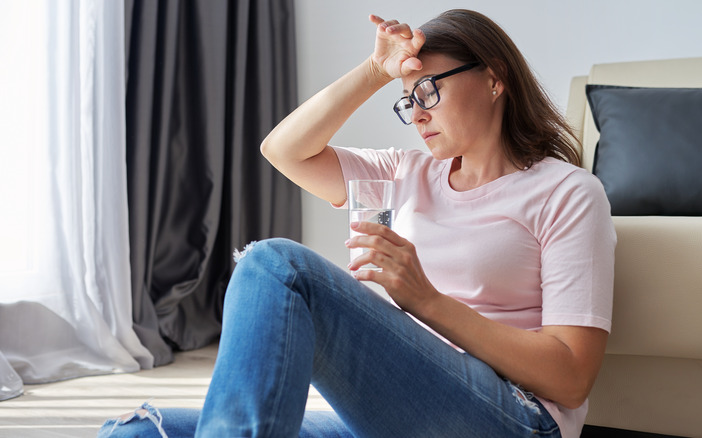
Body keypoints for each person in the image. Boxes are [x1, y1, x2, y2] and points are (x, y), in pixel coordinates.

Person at [99, 9, 615, 438]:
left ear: (494, 77)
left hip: (512, 417)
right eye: (407, 99)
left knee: (276, 265)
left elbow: (570, 378)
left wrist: (426, 300)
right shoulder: (405, 172)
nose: (417, 114)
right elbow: (283, 151)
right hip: (400, 411)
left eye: (429, 91)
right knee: (137, 430)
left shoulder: (566, 192)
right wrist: (376, 69)